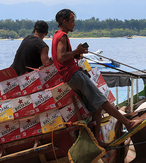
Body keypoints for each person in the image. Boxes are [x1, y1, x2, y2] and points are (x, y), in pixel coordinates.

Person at [51, 9, 139, 146]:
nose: (74, 24)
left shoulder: (57, 36)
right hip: (75, 75)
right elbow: (61, 57)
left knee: (96, 107)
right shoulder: (62, 36)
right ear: (64, 21)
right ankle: (127, 122)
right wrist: (76, 51)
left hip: (70, 77)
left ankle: (97, 139)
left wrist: (76, 54)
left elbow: (62, 57)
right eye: (72, 21)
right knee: (102, 101)